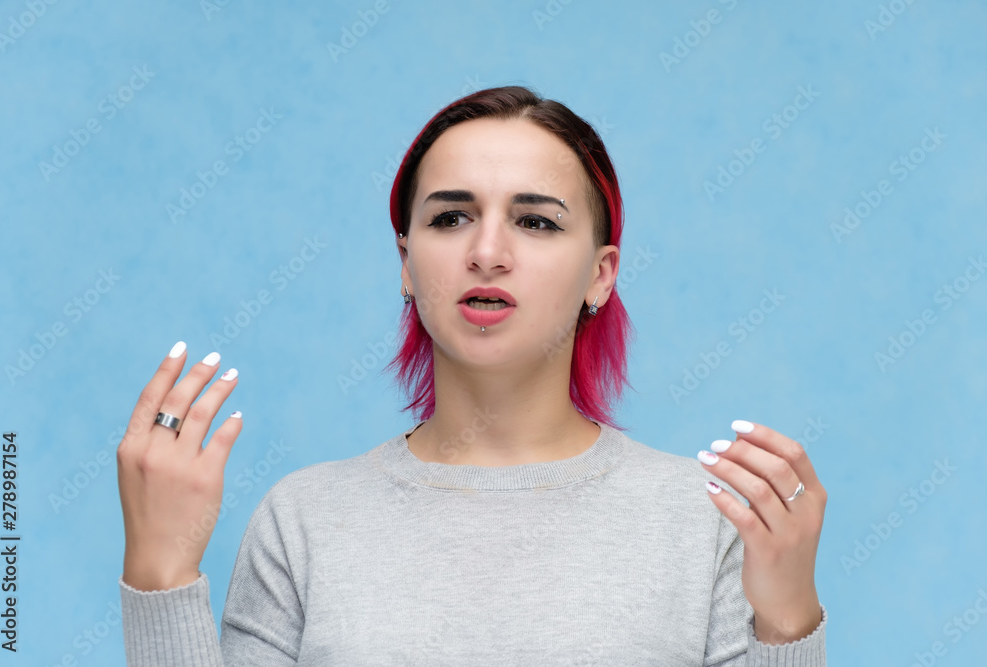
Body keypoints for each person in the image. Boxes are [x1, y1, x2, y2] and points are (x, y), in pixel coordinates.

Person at [117, 85, 827, 665]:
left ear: (601, 274)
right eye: (452, 217)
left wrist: (789, 620)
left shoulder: (707, 521)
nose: (487, 252)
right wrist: (159, 570)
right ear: (406, 262)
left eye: (537, 222)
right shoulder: (303, 520)